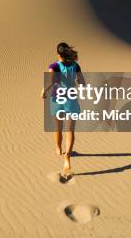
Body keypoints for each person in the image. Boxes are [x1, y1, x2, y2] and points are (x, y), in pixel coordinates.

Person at [41, 42, 86, 179]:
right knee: (70, 130)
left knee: (58, 126)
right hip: (71, 100)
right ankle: (67, 158)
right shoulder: (75, 65)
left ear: (58, 54)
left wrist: (43, 91)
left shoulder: (54, 66)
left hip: (57, 100)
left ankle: (58, 148)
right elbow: (83, 82)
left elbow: (51, 81)